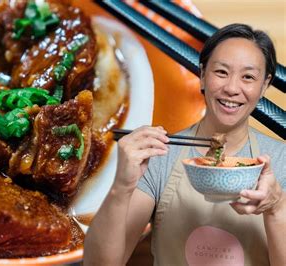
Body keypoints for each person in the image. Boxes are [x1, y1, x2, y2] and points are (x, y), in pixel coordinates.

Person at [84, 23, 285, 266]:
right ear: (202, 75)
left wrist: (276, 208)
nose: (232, 88)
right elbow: (101, 263)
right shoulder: (161, 153)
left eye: (248, 77)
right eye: (221, 72)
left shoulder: (281, 158)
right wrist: (121, 187)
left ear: (264, 86)